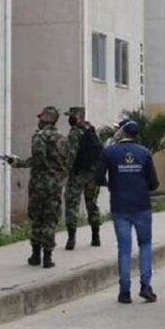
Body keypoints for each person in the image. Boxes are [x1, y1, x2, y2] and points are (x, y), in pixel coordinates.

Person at [97, 120, 160, 304]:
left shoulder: (109, 152)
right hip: (141, 205)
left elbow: (98, 177)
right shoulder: (144, 152)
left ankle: (124, 291)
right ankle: (145, 285)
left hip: (120, 205)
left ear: (123, 131)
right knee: (145, 245)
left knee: (124, 248)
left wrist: (113, 184)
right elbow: (154, 182)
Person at [7, 106, 70, 268]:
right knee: (50, 219)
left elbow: (38, 159)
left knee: (37, 218)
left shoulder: (39, 137)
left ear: (46, 118)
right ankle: (48, 257)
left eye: (40, 117)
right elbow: (67, 163)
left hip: (39, 184)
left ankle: (36, 255)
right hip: (55, 184)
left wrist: (19, 163)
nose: (38, 120)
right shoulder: (63, 139)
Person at [64, 107, 102, 250]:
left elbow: (71, 154)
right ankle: (95, 237)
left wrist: (67, 170)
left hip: (78, 174)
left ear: (78, 116)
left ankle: (71, 238)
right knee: (92, 203)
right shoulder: (90, 129)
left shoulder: (75, 132)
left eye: (71, 116)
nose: (69, 118)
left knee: (72, 205)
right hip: (92, 173)